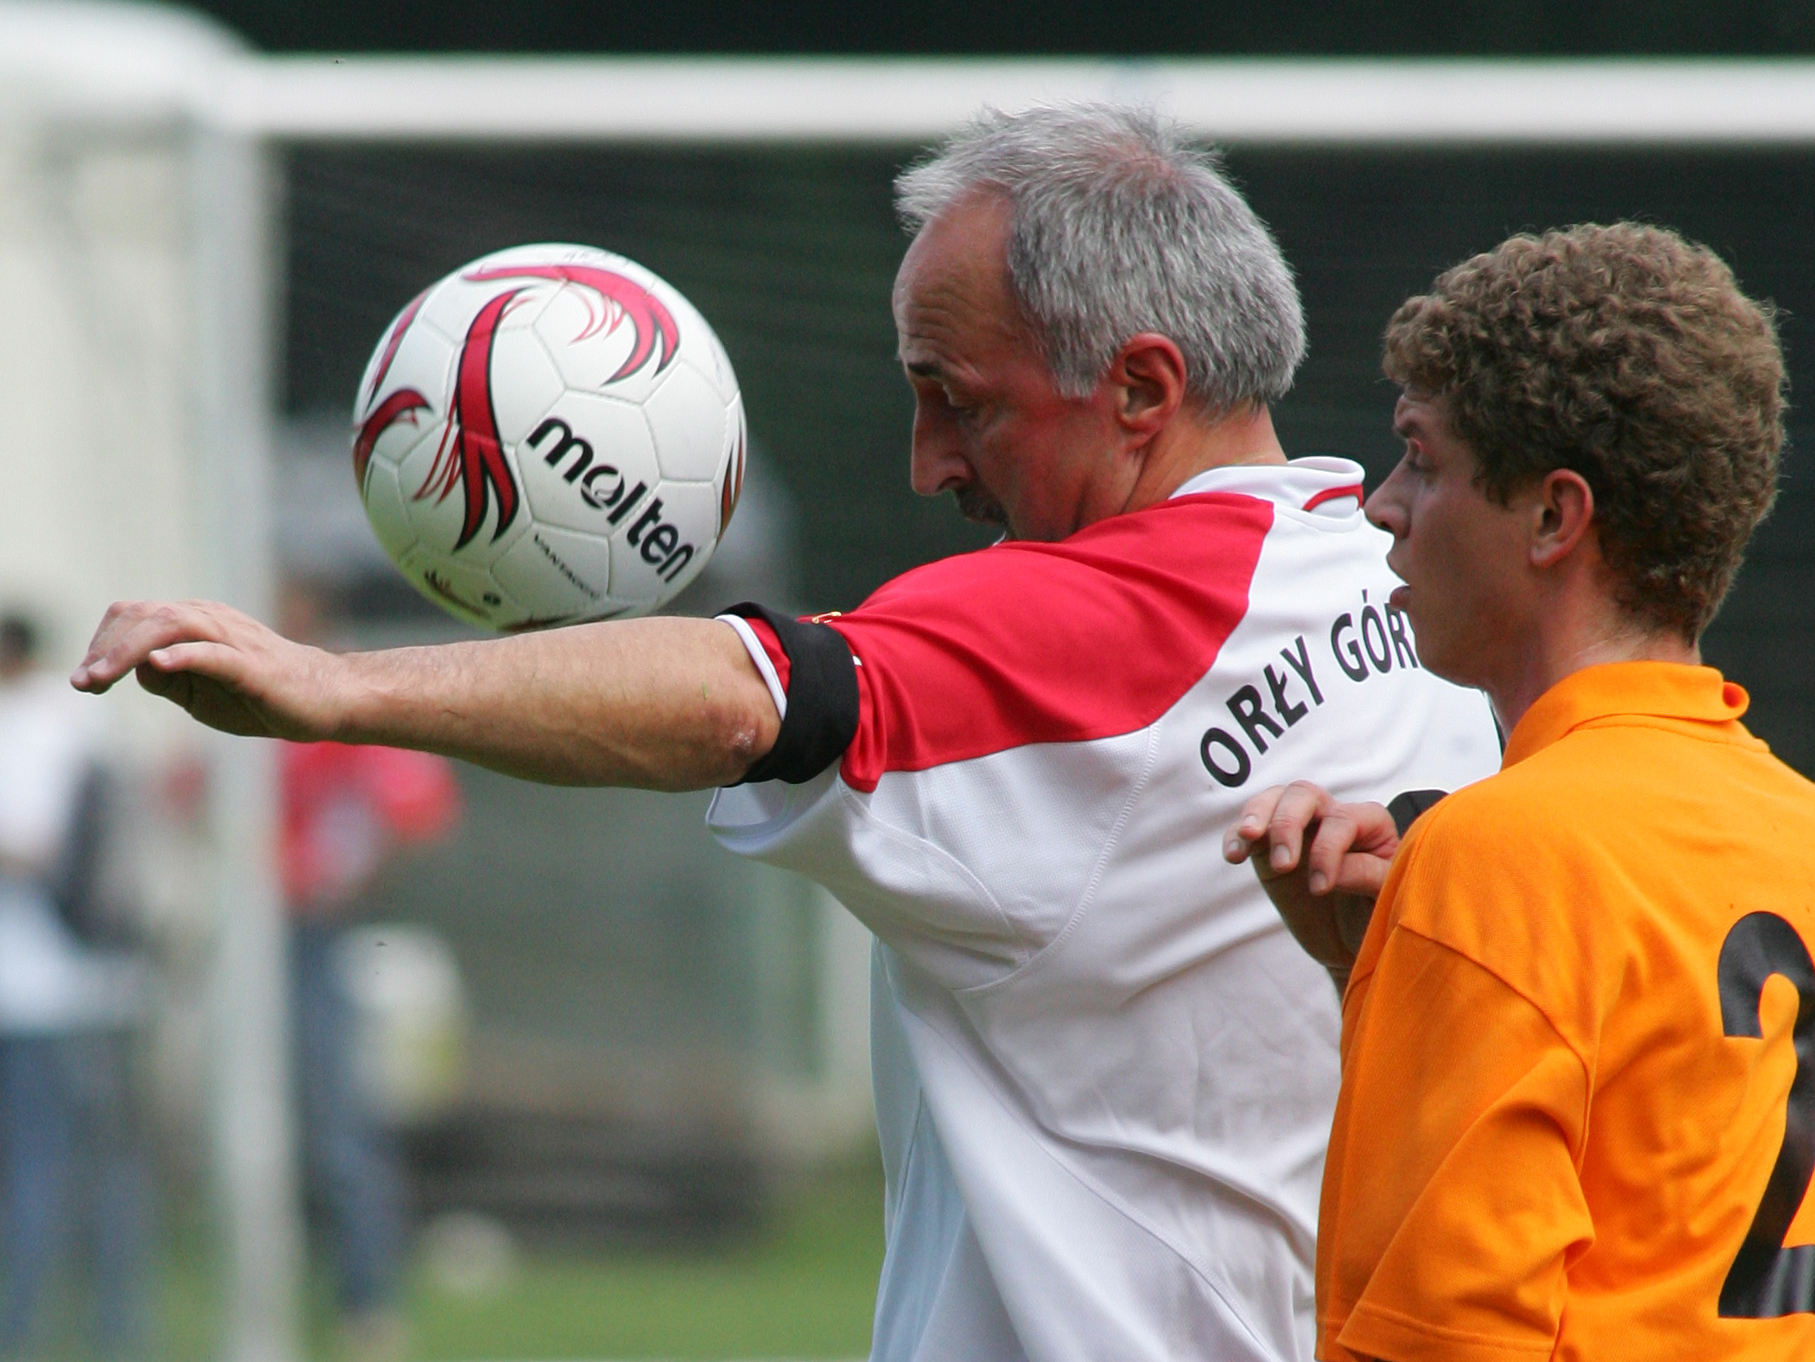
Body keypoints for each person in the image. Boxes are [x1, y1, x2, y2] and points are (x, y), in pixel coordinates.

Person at [71, 105, 1500, 1362]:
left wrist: (342, 686)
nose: (927, 460)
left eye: (959, 400)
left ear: (1137, 387)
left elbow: (745, 694)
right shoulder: (1401, 574)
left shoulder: (1094, 625)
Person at [1223, 222, 1809, 1360]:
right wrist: (1380, 970)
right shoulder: (1800, 829)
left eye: (1422, 461)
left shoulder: (1496, 858)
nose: (1379, 505)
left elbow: (1441, 1340)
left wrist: (1447, 932)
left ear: (1554, 516)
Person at [277, 581, 461, 1362]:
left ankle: (366, 1301)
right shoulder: (246, 702)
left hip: (317, 934)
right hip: (253, 935)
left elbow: (414, 803)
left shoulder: (346, 706)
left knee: (341, 1129)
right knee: (272, 1128)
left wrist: (344, 870)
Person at [0, 610, 149, 1360]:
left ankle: (34, 1334)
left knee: (41, 1172)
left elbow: (34, 848)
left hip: (45, 991)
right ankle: (110, 1332)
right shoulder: (77, 726)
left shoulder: (36, 729)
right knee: (96, 1172)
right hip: (86, 986)